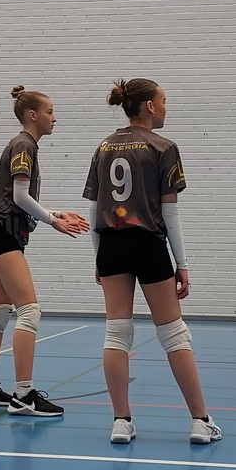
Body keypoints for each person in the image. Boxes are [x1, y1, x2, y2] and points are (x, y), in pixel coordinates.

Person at [85, 78, 222, 444]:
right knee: (174, 332)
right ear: (148, 106)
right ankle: (200, 420)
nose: (165, 107)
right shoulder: (164, 147)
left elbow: (95, 211)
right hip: (147, 243)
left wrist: (98, 258)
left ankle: (121, 421)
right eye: (163, 101)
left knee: (116, 332)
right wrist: (182, 263)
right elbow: (170, 214)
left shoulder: (103, 147)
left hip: (111, 243)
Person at [0, 85, 89, 417]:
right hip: (4, 235)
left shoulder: (24, 145)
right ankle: (24, 396)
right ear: (32, 115)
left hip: (2, 232)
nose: (54, 118)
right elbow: (20, 198)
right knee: (29, 311)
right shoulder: (24, 145)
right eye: (50, 111)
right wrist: (53, 221)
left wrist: (56, 212)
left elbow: (16, 198)